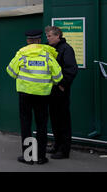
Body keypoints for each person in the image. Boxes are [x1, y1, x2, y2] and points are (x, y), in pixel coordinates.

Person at [6, 29, 63, 165]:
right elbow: (58, 77)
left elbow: (11, 72)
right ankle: (41, 157)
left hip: (25, 95)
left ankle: (28, 156)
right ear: (39, 40)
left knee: (26, 125)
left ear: (28, 41)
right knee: (41, 125)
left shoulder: (22, 55)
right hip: (42, 95)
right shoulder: (48, 56)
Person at [45, 25, 78, 159]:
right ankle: (57, 145)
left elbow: (71, 69)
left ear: (58, 36)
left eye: (50, 36)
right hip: (51, 91)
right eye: (47, 36)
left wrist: (62, 84)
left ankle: (64, 150)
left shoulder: (66, 49)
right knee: (54, 119)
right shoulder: (50, 49)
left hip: (61, 91)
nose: (47, 38)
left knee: (63, 120)